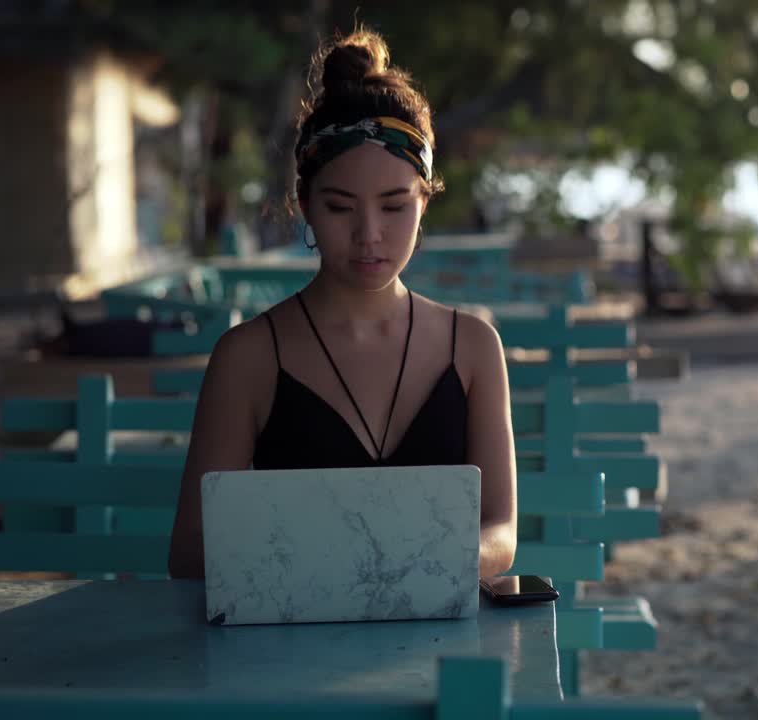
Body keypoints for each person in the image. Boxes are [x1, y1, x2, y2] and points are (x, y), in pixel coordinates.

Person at [168, 30, 517, 580]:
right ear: (303, 204)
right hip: (286, 650)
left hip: (438, 641)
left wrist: (428, 566)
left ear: (425, 202)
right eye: (340, 207)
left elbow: (500, 529)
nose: (369, 235)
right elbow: (191, 551)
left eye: (394, 206)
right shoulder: (249, 356)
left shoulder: (473, 347)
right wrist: (350, 568)